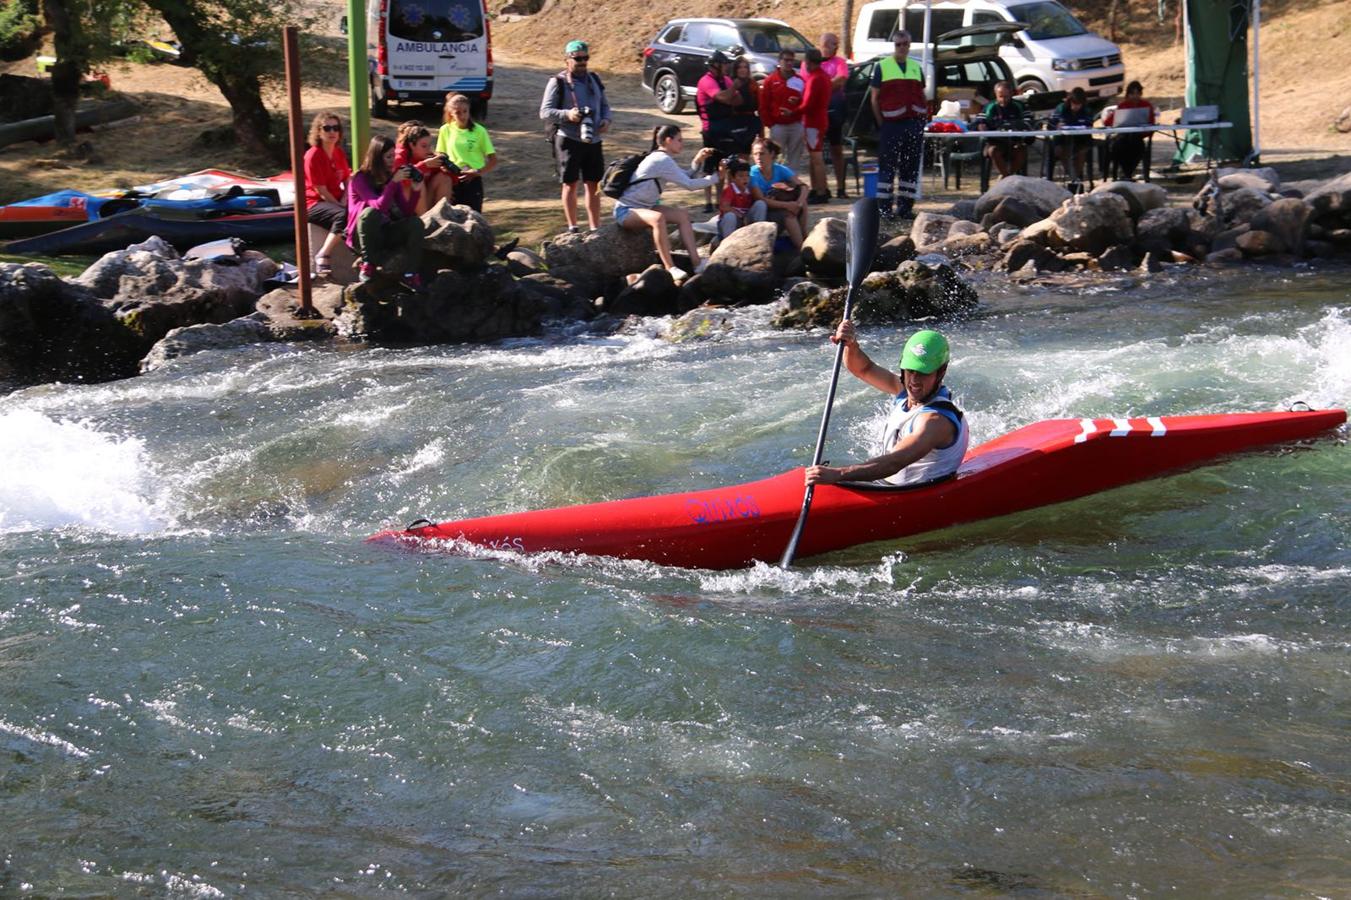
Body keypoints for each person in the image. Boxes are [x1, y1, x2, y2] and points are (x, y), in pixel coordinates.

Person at [805, 324, 968, 487]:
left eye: (924, 373)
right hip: (889, 486)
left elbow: (894, 462)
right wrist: (851, 345)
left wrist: (839, 474)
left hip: (918, 498)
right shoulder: (905, 390)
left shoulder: (934, 421)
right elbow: (863, 369)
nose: (914, 380)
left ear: (941, 372)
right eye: (910, 370)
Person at [613, 124, 720, 282]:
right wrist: (718, 178)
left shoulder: (662, 158)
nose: (682, 144)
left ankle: (697, 263)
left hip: (645, 207)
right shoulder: (661, 159)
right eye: (679, 140)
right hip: (626, 210)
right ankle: (670, 268)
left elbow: (686, 176)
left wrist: (697, 161)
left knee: (682, 216)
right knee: (657, 219)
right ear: (668, 140)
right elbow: (689, 185)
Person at [540, 39, 612, 233]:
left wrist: (606, 120)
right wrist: (567, 114)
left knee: (594, 184)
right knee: (570, 184)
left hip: (593, 139)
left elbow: (604, 105)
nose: (582, 62)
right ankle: (573, 226)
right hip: (568, 138)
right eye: (577, 58)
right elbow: (545, 112)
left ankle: (595, 227)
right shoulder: (557, 82)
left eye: (585, 58)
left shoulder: (594, 79)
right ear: (567, 60)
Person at [346, 134, 425, 287]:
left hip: (383, 233)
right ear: (377, 157)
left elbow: (407, 212)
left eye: (393, 156)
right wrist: (393, 183)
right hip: (362, 235)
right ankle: (368, 265)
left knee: (415, 223)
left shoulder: (390, 179)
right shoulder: (360, 178)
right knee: (370, 213)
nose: (392, 161)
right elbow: (377, 207)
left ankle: (411, 273)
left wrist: (416, 191)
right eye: (388, 157)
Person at [869, 30, 927, 219]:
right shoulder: (882, 66)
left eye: (905, 44)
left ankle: (905, 208)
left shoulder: (916, 67)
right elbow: (874, 98)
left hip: (913, 123)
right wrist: (881, 123)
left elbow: (922, 94)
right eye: (898, 44)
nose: (902, 48)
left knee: (910, 166)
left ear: (909, 45)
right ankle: (884, 208)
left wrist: (922, 119)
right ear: (893, 46)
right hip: (891, 125)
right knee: (888, 166)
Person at [802, 32, 851, 199]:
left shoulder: (840, 62)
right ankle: (817, 187)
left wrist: (822, 86)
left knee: (836, 149)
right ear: (822, 45)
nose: (835, 47)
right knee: (814, 151)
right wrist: (827, 85)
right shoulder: (808, 63)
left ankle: (841, 187)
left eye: (836, 44)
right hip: (815, 112)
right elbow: (807, 81)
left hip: (835, 109)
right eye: (831, 44)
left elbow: (842, 79)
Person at [303, 113, 350, 278]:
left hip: (336, 200)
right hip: (313, 204)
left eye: (336, 128)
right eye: (327, 128)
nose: (332, 132)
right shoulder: (313, 155)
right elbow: (320, 190)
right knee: (343, 215)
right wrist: (340, 205)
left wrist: (345, 198)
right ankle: (323, 254)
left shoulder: (338, 152)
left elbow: (347, 179)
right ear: (318, 132)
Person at [436, 92, 496, 213]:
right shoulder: (445, 130)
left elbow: (493, 160)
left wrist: (477, 172)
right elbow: (440, 154)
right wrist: (445, 168)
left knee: (473, 217)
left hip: (473, 180)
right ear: (451, 113)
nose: (462, 115)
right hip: (453, 179)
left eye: (465, 111)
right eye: (458, 112)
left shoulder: (479, 131)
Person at [696, 50, 739, 213]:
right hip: (711, 129)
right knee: (709, 166)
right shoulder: (706, 81)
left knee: (724, 164)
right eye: (724, 64)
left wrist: (731, 92)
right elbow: (722, 97)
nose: (727, 67)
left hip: (725, 127)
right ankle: (708, 201)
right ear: (715, 65)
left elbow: (736, 99)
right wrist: (733, 89)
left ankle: (720, 199)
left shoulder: (726, 80)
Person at [748, 135, 810, 249]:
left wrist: (799, 203)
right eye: (755, 154)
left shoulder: (780, 169)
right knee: (787, 214)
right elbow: (760, 198)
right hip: (758, 214)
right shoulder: (752, 174)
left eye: (762, 153)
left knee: (802, 204)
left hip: (776, 209)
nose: (758, 157)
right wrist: (788, 205)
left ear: (772, 154)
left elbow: (804, 187)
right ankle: (801, 248)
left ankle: (804, 235)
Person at [758, 49, 805, 172]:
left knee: (795, 158)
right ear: (779, 61)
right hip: (778, 126)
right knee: (776, 157)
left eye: (791, 60)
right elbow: (763, 105)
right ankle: (776, 185)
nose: (789, 63)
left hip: (796, 125)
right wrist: (771, 124)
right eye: (786, 60)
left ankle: (792, 185)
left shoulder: (799, 80)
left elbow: (806, 102)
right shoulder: (770, 81)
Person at [393, 120, 454, 215]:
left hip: (423, 202)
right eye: (424, 146)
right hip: (400, 205)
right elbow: (401, 179)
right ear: (412, 144)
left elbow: (451, 180)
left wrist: (448, 169)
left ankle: (441, 216)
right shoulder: (399, 154)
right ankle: (424, 224)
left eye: (429, 145)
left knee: (444, 178)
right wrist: (424, 165)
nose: (428, 149)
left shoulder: (427, 155)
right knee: (417, 180)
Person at [1103, 80, 1157, 180]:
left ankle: (1127, 174)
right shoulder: (1122, 106)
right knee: (1119, 147)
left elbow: (1151, 125)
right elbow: (1108, 122)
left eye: (1137, 93)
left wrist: (1144, 130)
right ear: (1128, 94)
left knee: (1138, 147)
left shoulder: (1146, 106)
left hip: (1137, 138)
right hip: (1122, 138)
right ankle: (1125, 174)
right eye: (1132, 93)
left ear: (1140, 94)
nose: (1135, 96)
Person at [800, 48, 834, 204]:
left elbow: (808, 104)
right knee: (815, 158)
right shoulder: (823, 76)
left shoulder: (815, 78)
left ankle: (821, 191)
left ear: (809, 62)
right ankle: (818, 188)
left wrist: (792, 112)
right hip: (819, 119)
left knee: (816, 157)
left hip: (814, 121)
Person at [979, 80, 1029, 179]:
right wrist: (981, 126)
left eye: (1006, 96)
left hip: (1015, 141)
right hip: (995, 142)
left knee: (1022, 150)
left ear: (1011, 94)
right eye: (1000, 96)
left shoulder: (1019, 106)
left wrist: (1018, 126)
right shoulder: (990, 107)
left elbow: (1029, 122)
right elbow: (978, 121)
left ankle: (1006, 176)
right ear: (996, 95)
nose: (1003, 100)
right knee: (993, 151)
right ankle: (1007, 178)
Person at [1051, 87, 1094, 191]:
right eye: (1074, 103)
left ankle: (1076, 179)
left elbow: (1089, 124)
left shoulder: (1087, 110)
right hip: (1062, 138)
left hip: (1081, 138)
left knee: (1081, 152)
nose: (1076, 106)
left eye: (1078, 104)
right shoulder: (1061, 108)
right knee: (1060, 151)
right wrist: (1057, 125)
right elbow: (1051, 124)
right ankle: (1073, 177)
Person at [716, 159, 767, 241]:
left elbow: (757, 202)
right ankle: (728, 243)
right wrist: (740, 216)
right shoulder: (730, 190)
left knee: (760, 204)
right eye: (741, 176)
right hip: (733, 222)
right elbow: (724, 207)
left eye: (747, 176)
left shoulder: (750, 189)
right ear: (733, 178)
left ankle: (759, 237)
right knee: (730, 216)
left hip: (746, 221)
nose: (745, 179)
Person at [727, 57, 763, 157]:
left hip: (749, 122)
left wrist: (761, 133)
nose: (743, 70)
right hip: (733, 122)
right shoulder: (729, 82)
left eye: (745, 67)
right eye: (740, 67)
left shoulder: (753, 84)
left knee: (745, 154)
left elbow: (760, 107)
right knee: (733, 154)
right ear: (735, 69)